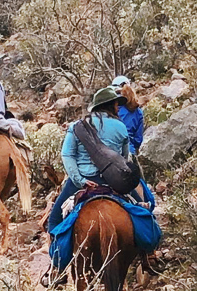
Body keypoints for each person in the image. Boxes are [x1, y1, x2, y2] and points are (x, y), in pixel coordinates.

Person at [48, 87, 140, 223]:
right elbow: (125, 158)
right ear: (109, 106)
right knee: (142, 210)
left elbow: (67, 155)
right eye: (116, 104)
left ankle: (56, 243)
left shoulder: (77, 126)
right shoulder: (121, 127)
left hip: (85, 180)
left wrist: (80, 180)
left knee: (53, 220)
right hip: (113, 181)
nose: (118, 108)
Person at [112, 76, 148, 152]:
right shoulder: (138, 111)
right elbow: (138, 139)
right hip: (129, 151)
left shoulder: (112, 109)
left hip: (112, 151)